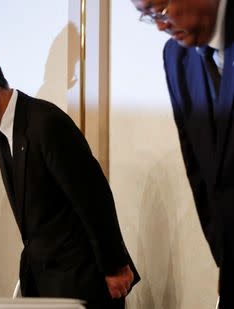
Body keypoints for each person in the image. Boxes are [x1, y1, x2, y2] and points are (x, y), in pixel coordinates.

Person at [0, 36, 140, 309]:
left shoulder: (46, 123)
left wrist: (115, 265)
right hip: (43, 283)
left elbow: (93, 197)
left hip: (83, 281)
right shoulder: (0, 138)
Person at [130, 0, 233, 307]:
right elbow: (200, 169)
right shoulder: (176, 57)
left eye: (160, 10)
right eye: (147, 18)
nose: (161, 26)